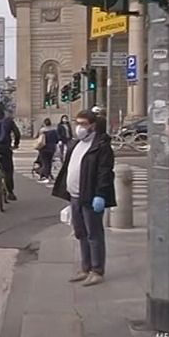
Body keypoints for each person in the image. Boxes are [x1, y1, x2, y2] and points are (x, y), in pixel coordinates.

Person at [51, 110, 116, 287]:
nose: (79, 127)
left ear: (92, 125)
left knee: (94, 234)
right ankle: (85, 268)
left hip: (90, 196)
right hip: (75, 196)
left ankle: (97, 270)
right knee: (81, 233)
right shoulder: (76, 144)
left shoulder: (101, 146)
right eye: (77, 123)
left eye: (83, 124)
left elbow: (104, 172)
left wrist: (100, 195)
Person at [38, 118, 60, 183]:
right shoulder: (54, 131)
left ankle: (45, 176)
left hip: (43, 148)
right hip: (52, 148)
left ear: (44, 123)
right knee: (49, 162)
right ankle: (48, 174)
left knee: (45, 162)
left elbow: (38, 139)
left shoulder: (42, 131)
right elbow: (57, 140)